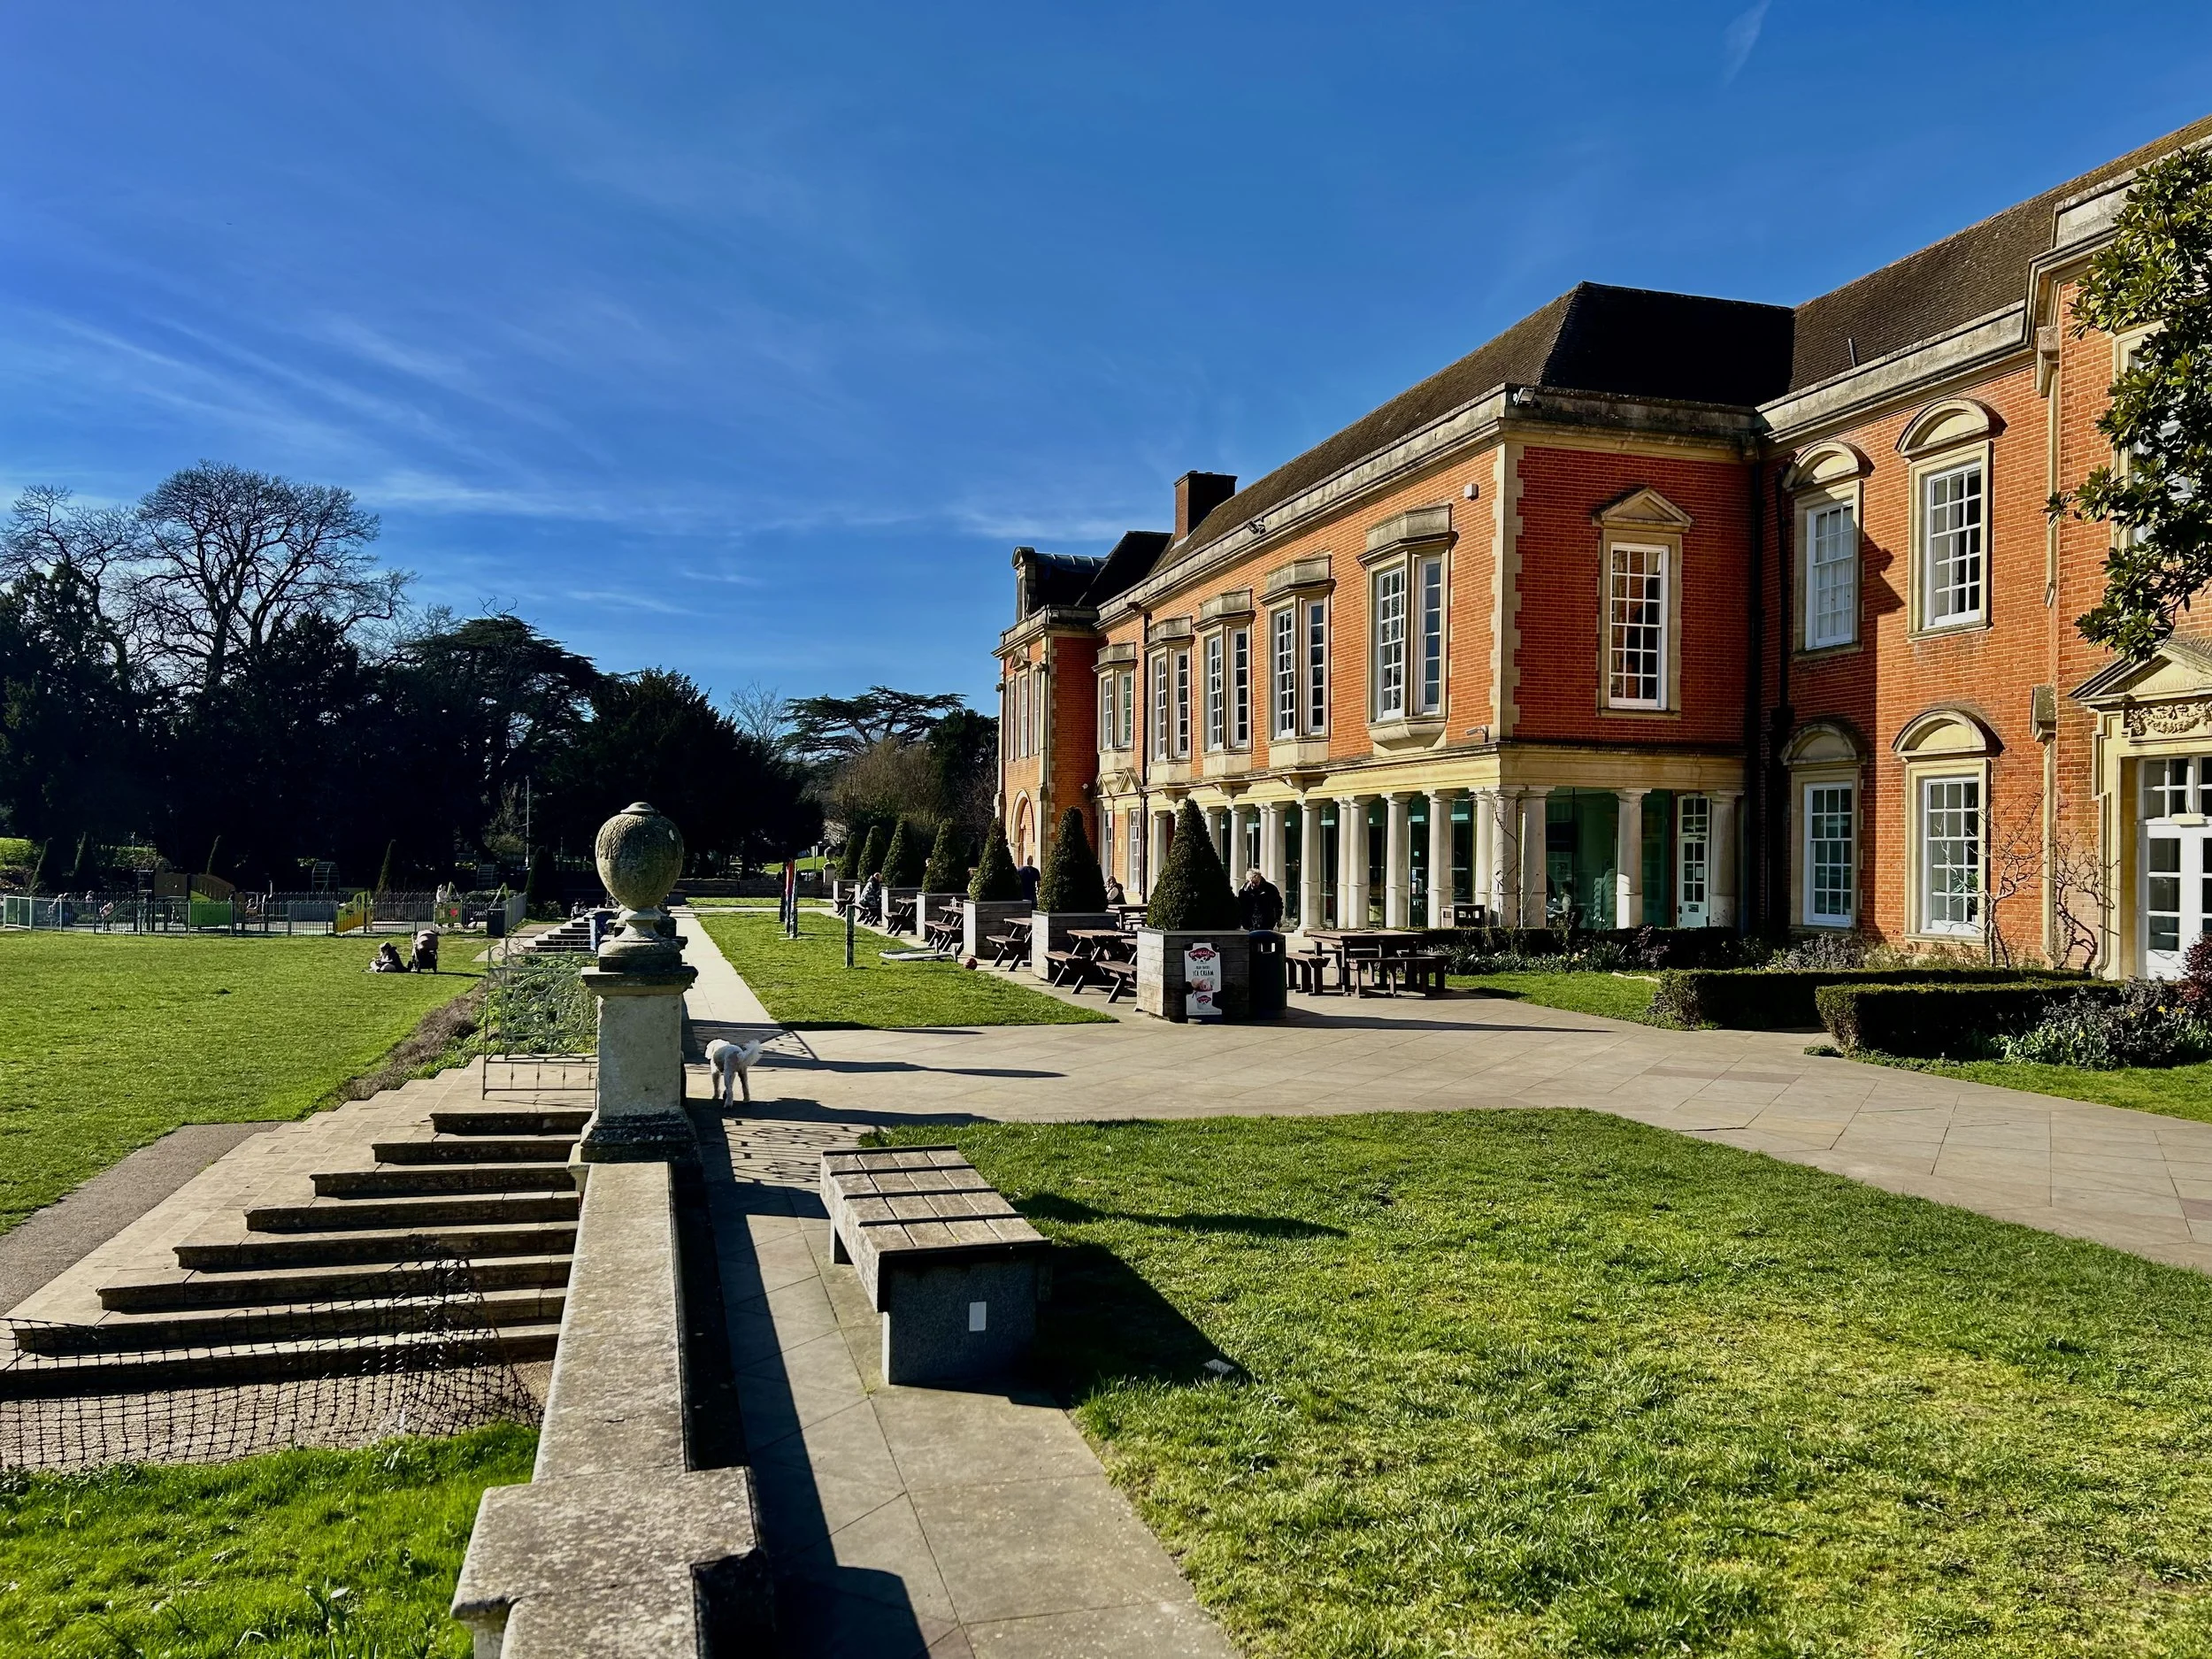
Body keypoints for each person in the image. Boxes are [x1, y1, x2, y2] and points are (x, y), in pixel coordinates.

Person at [1240, 867, 1284, 933]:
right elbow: (1241, 905)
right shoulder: (1244, 890)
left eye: (1257, 882)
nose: (1254, 885)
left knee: (1266, 940)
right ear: (1249, 880)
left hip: (1266, 921)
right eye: (1252, 882)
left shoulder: (1270, 889)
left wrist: (1278, 918)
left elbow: (1278, 904)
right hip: (1249, 923)